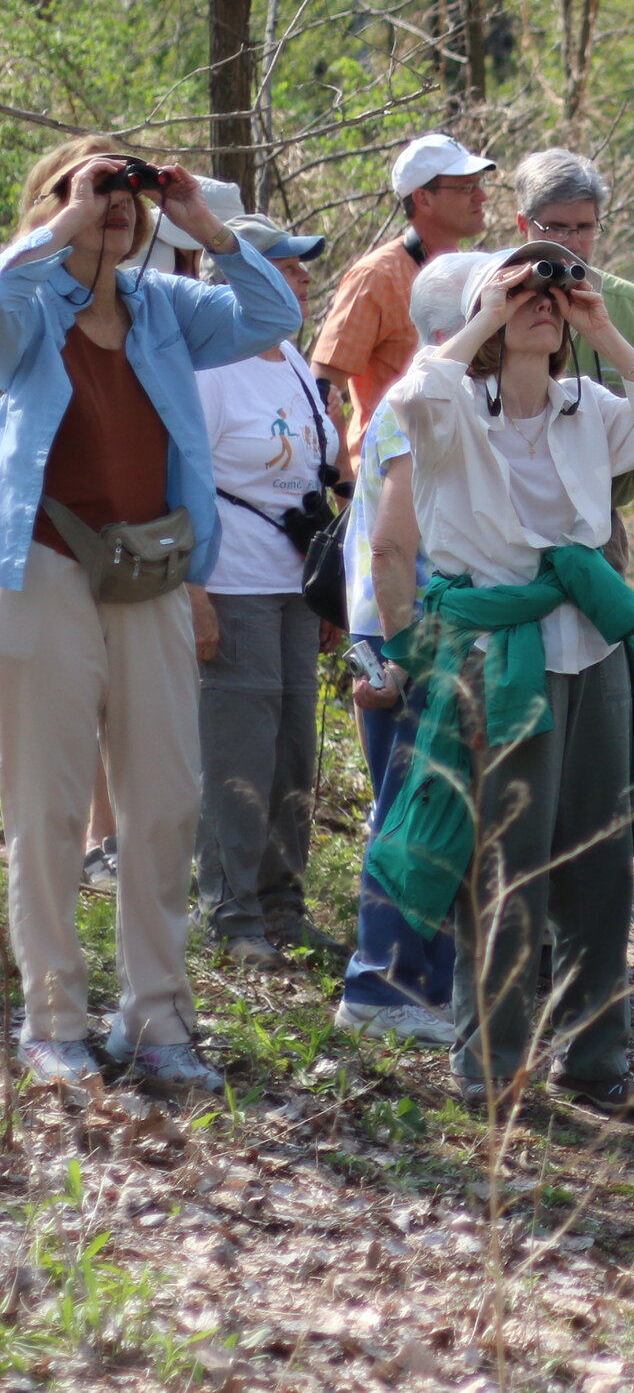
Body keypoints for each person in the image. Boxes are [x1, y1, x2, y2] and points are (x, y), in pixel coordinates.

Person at [369, 242, 634, 1116]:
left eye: (550, 290)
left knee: (598, 863)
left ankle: (595, 1060)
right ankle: (492, 1066)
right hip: (499, 652)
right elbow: (410, 394)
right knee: (507, 864)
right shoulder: (451, 411)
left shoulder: (586, 403)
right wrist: (491, 307)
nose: (541, 299)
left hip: (591, 642)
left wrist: (602, 330)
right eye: (523, 289)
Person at [0, 139, 302, 1094]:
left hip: (154, 572)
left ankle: (158, 1020)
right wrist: (66, 220)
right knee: (47, 804)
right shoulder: (28, 304)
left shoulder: (167, 308)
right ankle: (53, 1017)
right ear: (53, 204)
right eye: (98, 190)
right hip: (46, 570)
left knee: (165, 800)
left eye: (128, 194)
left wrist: (203, 223)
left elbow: (275, 312)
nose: (116, 204)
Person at [333, 252, 489, 1047]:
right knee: (410, 811)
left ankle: (428, 984)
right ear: (447, 328)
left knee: (439, 809)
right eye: (489, 305)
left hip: (424, 631)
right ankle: (381, 985)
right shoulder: (419, 402)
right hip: (404, 634)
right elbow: (395, 546)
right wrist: (401, 656)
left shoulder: (456, 399)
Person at [190, 209, 346, 971]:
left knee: (291, 750)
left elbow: (321, 470)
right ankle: (230, 910)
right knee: (236, 752)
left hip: (294, 585)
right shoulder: (210, 368)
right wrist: (195, 593)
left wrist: (330, 593)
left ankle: (284, 903)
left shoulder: (288, 358)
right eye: (286, 265)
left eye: (303, 266)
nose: (304, 278)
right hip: (232, 582)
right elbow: (178, 481)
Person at [506, 148, 634, 569]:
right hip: (506, 522)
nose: (571, 242)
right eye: (556, 227)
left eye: (584, 227)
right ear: (523, 224)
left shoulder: (624, 302)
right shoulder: (493, 296)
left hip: (601, 522)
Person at [311, 132, 494, 475]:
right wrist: (344, 487)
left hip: (458, 473)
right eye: (467, 187)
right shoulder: (377, 277)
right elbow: (322, 389)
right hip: (391, 476)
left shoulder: (475, 273)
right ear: (423, 199)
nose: (482, 196)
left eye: (478, 185)